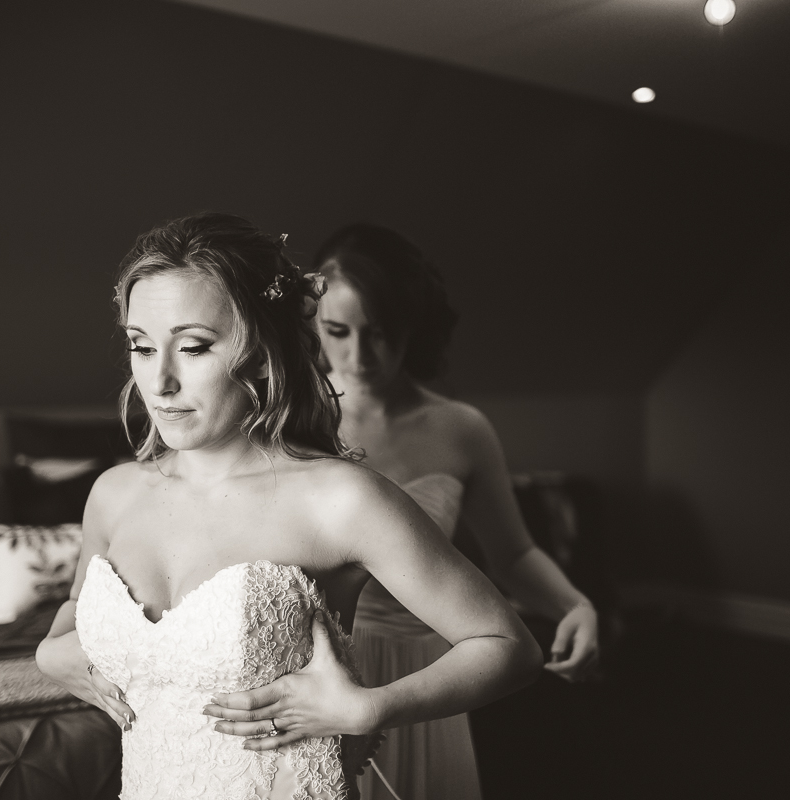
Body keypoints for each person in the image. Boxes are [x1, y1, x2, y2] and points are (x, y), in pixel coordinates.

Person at [35, 213, 542, 800]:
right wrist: (50, 655)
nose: (160, 381)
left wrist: (367, 709)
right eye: (141, 347)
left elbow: (508, 646)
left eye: (194, 347)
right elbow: (76, 612)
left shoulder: (340, 499)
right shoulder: (114, 494)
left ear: (262, 350)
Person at [312, 223, 601, 800]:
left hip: (432, 676)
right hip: (322, 668)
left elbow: (514, 554)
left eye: (380, 334)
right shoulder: (293, 421)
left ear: (412, 329)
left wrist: (575, 603)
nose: (358, 356)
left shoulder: (461, 430)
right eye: (337, 331)